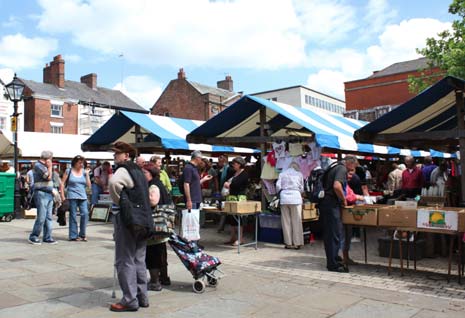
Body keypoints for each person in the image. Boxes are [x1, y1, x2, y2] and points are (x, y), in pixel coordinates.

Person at [108, 141, 152, 312]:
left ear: (126, 155)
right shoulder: (138, 170)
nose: (114, 156)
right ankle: (142, 297)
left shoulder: (123, 169)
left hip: (128, 219)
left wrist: (120, 201)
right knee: (139, 259)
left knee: (125, 260)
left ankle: (129, 300)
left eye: (117, 153)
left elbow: (113, 184)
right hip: (144, 219)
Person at [320, 155, 358, 273]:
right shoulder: (341, 169)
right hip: (332, 203)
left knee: (330, 234)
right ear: (350, 163)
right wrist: (343, 199)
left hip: (325, 202)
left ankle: (333, 260)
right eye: (352, 168)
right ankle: (333, 264)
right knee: (334, 234)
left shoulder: (333, 166)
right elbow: (337, 186)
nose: (351, 171)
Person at [142, 163, 172, 291]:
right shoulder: (159, 183)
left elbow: (153, 201)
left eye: (144, 173)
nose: (143, 175)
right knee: (161, 252)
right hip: (162, 225)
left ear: (151, 174)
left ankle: (155, 282)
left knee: (153, 253)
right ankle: (164, 278)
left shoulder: (153, 186)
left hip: (155, 225)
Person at [28, 150, 57, 245]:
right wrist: (50, 167)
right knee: (41, 216)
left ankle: (47, 237)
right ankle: (33, 236)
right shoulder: (38, 165)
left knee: (48, 216)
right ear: (47, 158)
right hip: (41, 193)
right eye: (51, 159)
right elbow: (47, 177)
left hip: (48, 192)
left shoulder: (43, 166)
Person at [62, 155, 91, 241]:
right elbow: (62, 183)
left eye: (83, 163)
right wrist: (62, 196)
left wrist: (87, 175)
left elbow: (89, 186)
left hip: (83, 196)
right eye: (80, 163)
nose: (81, 164)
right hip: (72, 196)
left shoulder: (84, 172)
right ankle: (73, 235)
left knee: (85, 214)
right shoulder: (69, 171)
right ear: (75, 163)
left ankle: (82, 234)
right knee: (73, 215)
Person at [276, 162, 304, 249]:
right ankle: (297, 243)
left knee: (286, 222)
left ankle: (288, 243)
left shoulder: (282, 174)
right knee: (297, 221)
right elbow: (302, 188)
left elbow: (278, 185)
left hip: (284, 198)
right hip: (296, 197)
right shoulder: (299, 174)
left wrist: (281, 192)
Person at [223, 156, 249, 246]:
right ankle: (233, 237)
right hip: (232, 197)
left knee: (239, 219)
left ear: (239, 164)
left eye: (235, 163)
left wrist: (229, 185)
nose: (233, 165)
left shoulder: (244, 174)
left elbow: (238, 184)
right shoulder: (234, 173)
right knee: (231, 218)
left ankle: (240, 238)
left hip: (240, 198)